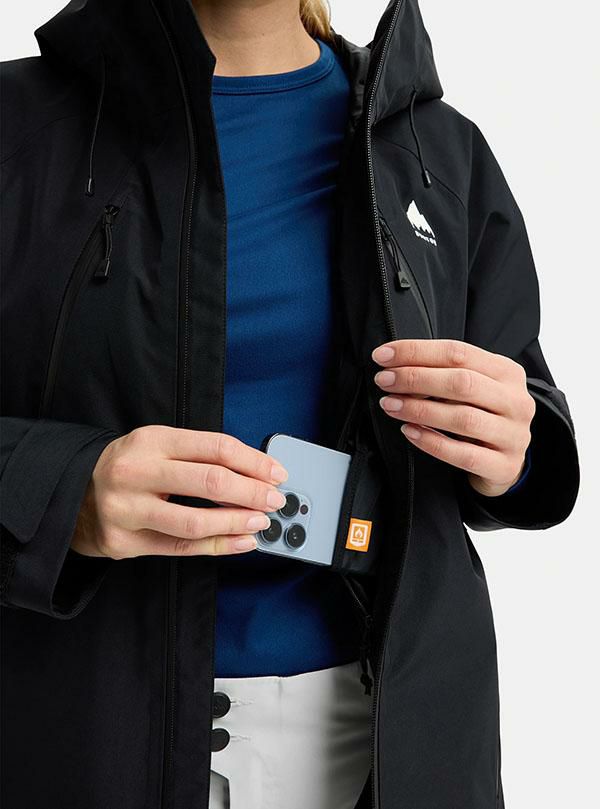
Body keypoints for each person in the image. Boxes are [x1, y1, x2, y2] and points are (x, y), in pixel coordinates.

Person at [0, 1, 580, 808]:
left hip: (398, 752)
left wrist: (515, 446)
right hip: (87, 741)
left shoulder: (439, 151)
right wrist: (67, 491)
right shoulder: (18, 128)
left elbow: (528, 408)